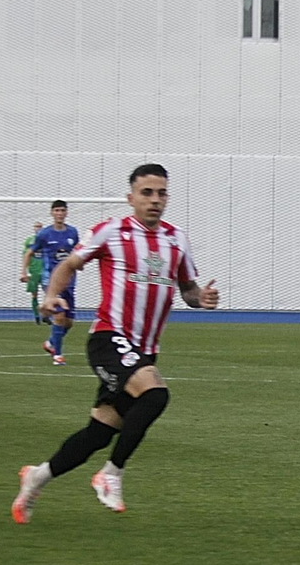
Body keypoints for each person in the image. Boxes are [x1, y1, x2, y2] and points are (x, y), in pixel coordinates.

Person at [11, 164, 219, 524]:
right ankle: (112, 473)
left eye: (161, 193)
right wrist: (51, 295)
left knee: (99, 432)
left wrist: (203, 297)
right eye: (147, 193)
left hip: (143, 350)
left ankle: (36, 477)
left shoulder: (176, 239)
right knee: (156, 394)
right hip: (110, 338)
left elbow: (187, 290)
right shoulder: (112, 231)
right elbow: (70, 264)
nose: (155, 200)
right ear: (131, 198)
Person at [21, 201, 79, 365]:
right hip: (51, 280)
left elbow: (77, 252)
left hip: (69, 280)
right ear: (52, 213)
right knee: (59, 316)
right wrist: (23, 271)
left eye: (62, 210)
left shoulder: (72, 232)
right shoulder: (44, 234)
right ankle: (57, 356)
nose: (60, 213)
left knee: (68, 322)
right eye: (57, 210)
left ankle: (51, 342)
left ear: (66, 213)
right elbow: (29, 253)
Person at [24, 223, 44, 324]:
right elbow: (25, 256)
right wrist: (25, 271)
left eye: (39, 227)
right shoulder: (29, 241)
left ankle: (45, 315)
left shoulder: (46, 240)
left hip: (45, 271)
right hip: (33, 271)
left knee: (48, 294)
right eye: (36, 227)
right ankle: (36, 316)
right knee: (34, 295)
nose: (38, 228)